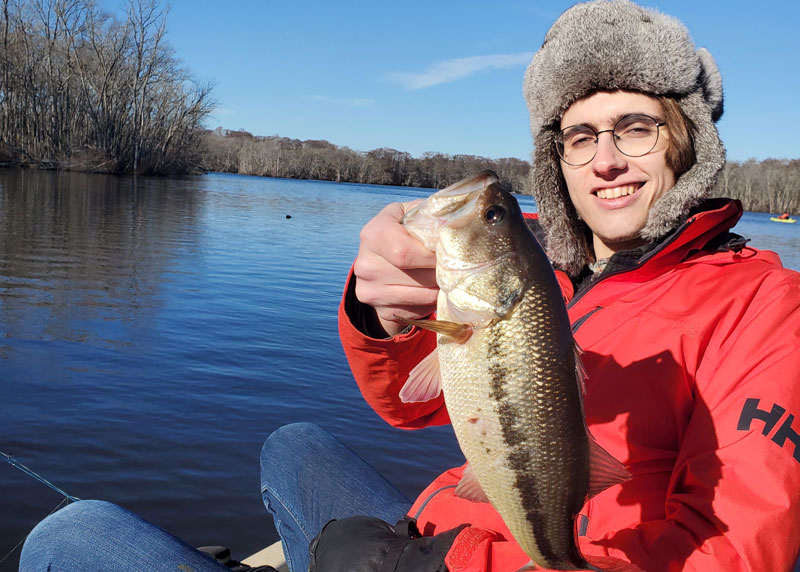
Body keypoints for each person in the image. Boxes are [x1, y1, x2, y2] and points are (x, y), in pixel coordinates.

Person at [18, 1, 800, 572]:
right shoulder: (545, 268)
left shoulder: (768, 309)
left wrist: (432, 567)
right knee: (293, 443)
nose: (606, 160)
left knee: (70, 536)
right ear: (557, 157)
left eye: (636, 127)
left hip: (517, 555)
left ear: (686, 143)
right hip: (443, 531)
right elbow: (411, 402)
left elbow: (733, 549)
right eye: (580, 136)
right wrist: (379, 313)